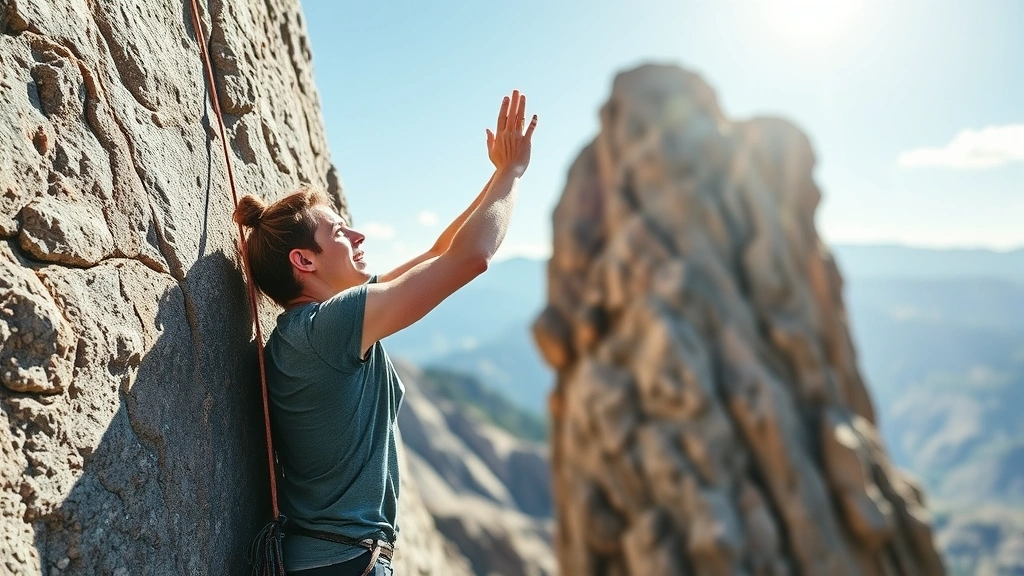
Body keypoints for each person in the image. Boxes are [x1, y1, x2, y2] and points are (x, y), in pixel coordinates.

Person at [232, 90, 538, 576]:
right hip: (345, 563)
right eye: (339, 233)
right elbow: (470, 258)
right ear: (304, 261)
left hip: (326, 560)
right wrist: (513, 173)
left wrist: (494, 176)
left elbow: (441, 252)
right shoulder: (328, 328)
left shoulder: (309, 331)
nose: (358, 237)